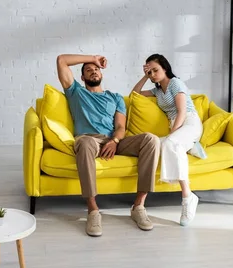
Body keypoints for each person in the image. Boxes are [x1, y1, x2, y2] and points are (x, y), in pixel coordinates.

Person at [57, 54, 160, 237]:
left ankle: (138, 206)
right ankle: (93, 210)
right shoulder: (76, 92)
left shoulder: (115, 98)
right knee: (86, 142)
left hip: (113, 140)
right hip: (89, 140)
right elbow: (61, 60)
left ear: (101, 74)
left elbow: (120, 127)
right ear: (82, 77)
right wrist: (94, 59)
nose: (93, 71)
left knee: (151, 139)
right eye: (89, 70)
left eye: (96, 69)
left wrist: (115, 141)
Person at [131, 54, 203, 227]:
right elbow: (134, 93)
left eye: (156, 70)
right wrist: (144, 76)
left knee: (171, 143)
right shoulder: (157, 91)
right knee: (154, 145)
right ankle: (189, 146)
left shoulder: (175, 84)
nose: (153, 74)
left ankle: (187, 197)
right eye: (151, 72)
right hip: (177, 128)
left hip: (188, 122)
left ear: (165, 68)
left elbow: (182, 111)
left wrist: (173, 133)